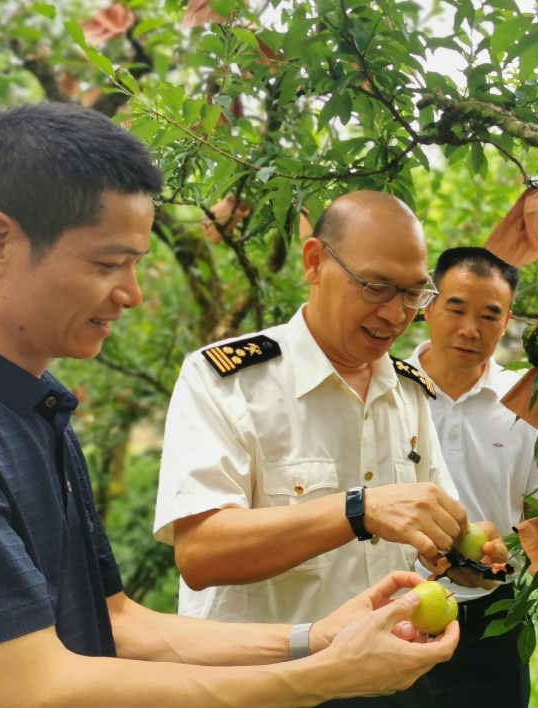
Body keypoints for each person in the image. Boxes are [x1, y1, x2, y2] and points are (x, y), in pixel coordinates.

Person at [0, 103, 455, 708]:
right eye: (109, 263)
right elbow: (33, 688)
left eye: (137, 265)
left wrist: (312, 640)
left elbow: (116, 625)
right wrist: (321, 677)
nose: (130, 293)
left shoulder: (30, 410)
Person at [154, 192, 507, 707]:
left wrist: (465, 557)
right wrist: (359, 510)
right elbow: (201, 553)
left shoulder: (406, 391)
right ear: (315, 262)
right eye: (375, 287)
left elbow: (434, 538)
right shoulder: (226, 381)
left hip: (386, 676)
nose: (395, 314)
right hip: (265, 684)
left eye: (412, 294)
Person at [405, 247, 538, 707]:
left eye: (488, 315)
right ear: (428, 304)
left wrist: (507, 558)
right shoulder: (386, 389)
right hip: (393, 610)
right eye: (456, 308)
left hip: (493, 614)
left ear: (508, 321)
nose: (469, 330)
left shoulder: (527, 400)